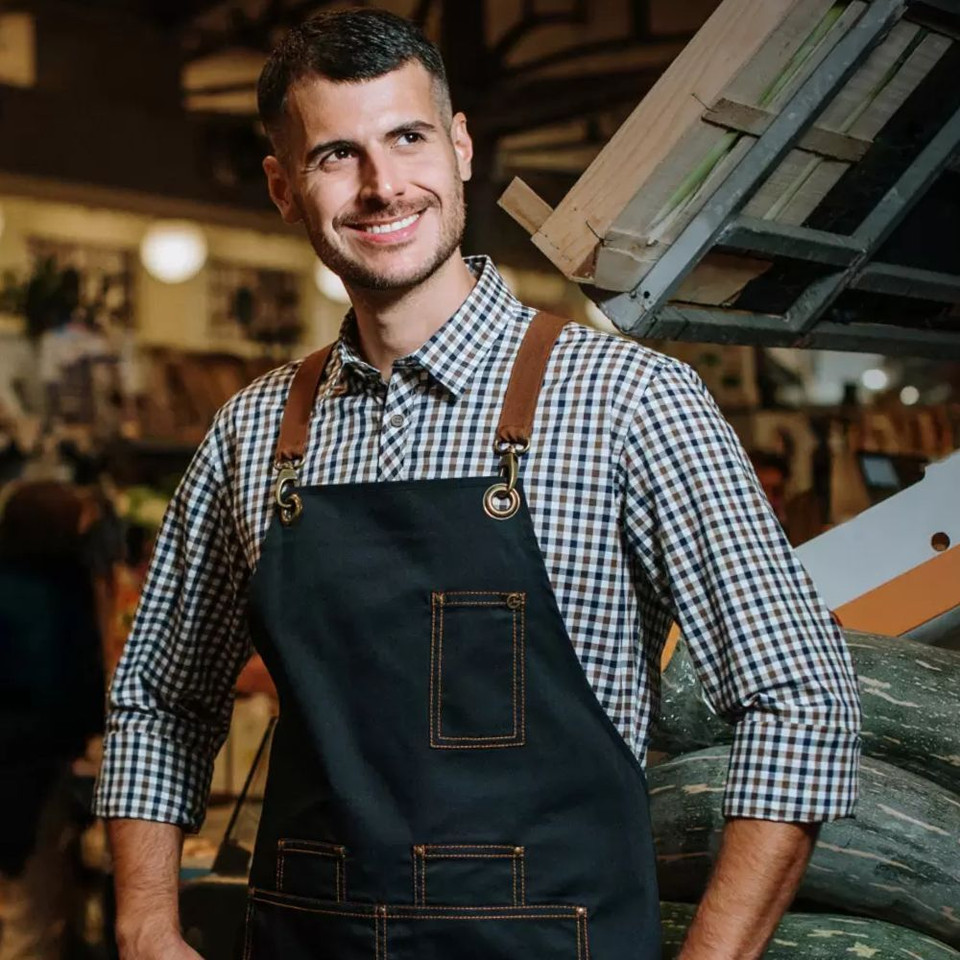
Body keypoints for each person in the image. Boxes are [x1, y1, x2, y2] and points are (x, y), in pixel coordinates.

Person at [94, 10, 863, 960]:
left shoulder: (627, 400)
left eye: (408, 137)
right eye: (337, 154)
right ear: (283, 187)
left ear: (460, 146)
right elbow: (161, 701)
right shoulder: (253, 432)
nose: (382, 187)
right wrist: (145, 925)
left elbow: (799, 700)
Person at [0, 480, 105, 960]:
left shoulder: (35, 580)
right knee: (29, 919)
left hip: (30, 771)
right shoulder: (46, 596)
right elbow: (53, 690)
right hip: (25, 779)